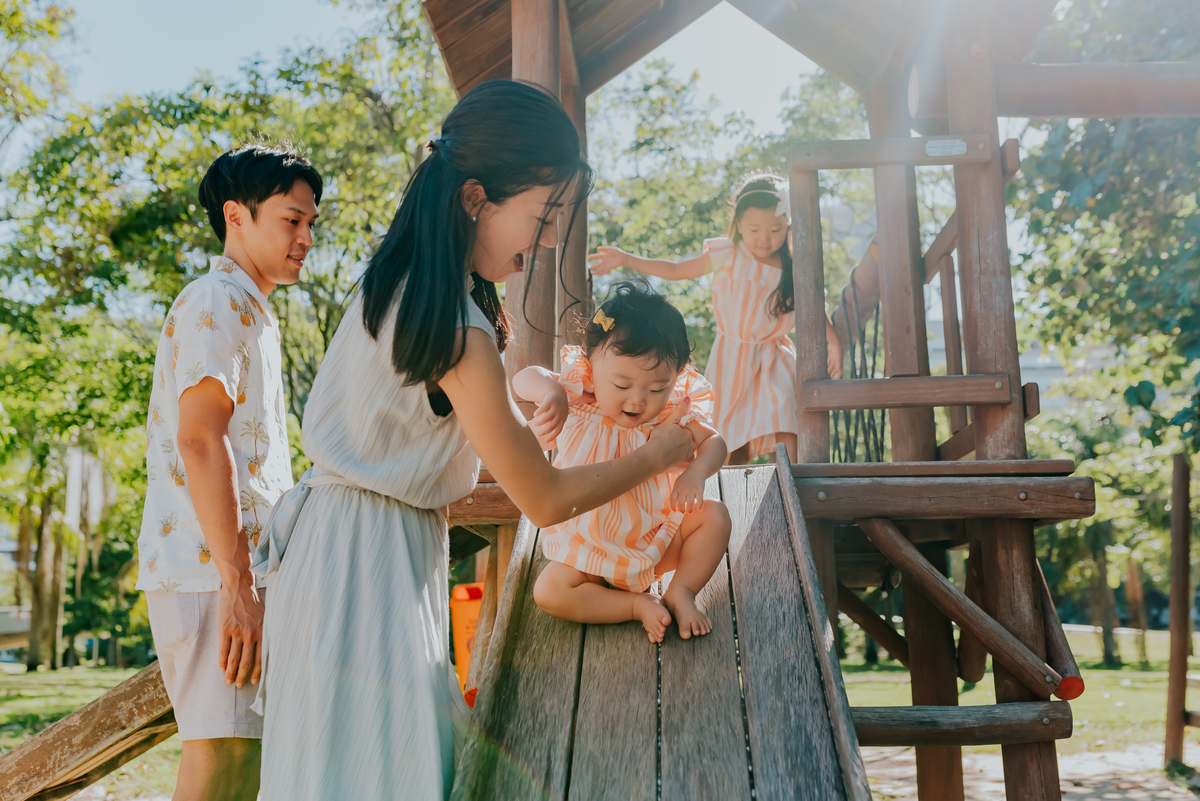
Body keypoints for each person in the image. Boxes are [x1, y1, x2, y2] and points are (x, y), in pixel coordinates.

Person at [250, 80, 697, 801]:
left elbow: (440, 400)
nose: (549, 237)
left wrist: (527, 386)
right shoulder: (457, 323)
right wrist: (656, 454)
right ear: (475, 199)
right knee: (383, 776)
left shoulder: (399, 286)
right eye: (542, 214)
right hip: (367, 566)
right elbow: (544, 496)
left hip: (342, 549)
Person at [136, 142, 322, 801]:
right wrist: (238, 583)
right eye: (291, 219)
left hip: (236, 570)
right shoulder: (216, 300)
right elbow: (199, 439)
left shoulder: (250, 308)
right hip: (211, 571)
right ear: (236, 215)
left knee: (245, 772)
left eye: (310, 223)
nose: (305, 237)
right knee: (221, 767)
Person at [514, 283, 731, 642]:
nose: (638, 400)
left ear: (677, 378)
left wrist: (696, 473)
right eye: (621, 384)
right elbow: (523, 378)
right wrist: (552, 391)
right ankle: (634, 606)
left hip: (652, 543)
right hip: (586, 554)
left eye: (657, 388)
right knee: (549, 592)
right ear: (589, 367)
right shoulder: (580, 396)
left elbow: (715, 442)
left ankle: (681, 591)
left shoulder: (673, 413)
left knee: (715, 516)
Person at [588, 171, 843, 464]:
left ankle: (796, 479)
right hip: (734, 357)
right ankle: (730, 490)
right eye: (754, 229)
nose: (764, 238)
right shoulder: (729, 254)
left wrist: (832, 341)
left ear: (788, 225)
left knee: (786, 413)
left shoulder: (793, 264)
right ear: (738, 224)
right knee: (731, 435)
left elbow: (813, 303)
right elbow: (675, 269)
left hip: (776, 354)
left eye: (775, 229)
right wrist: (626, 258)